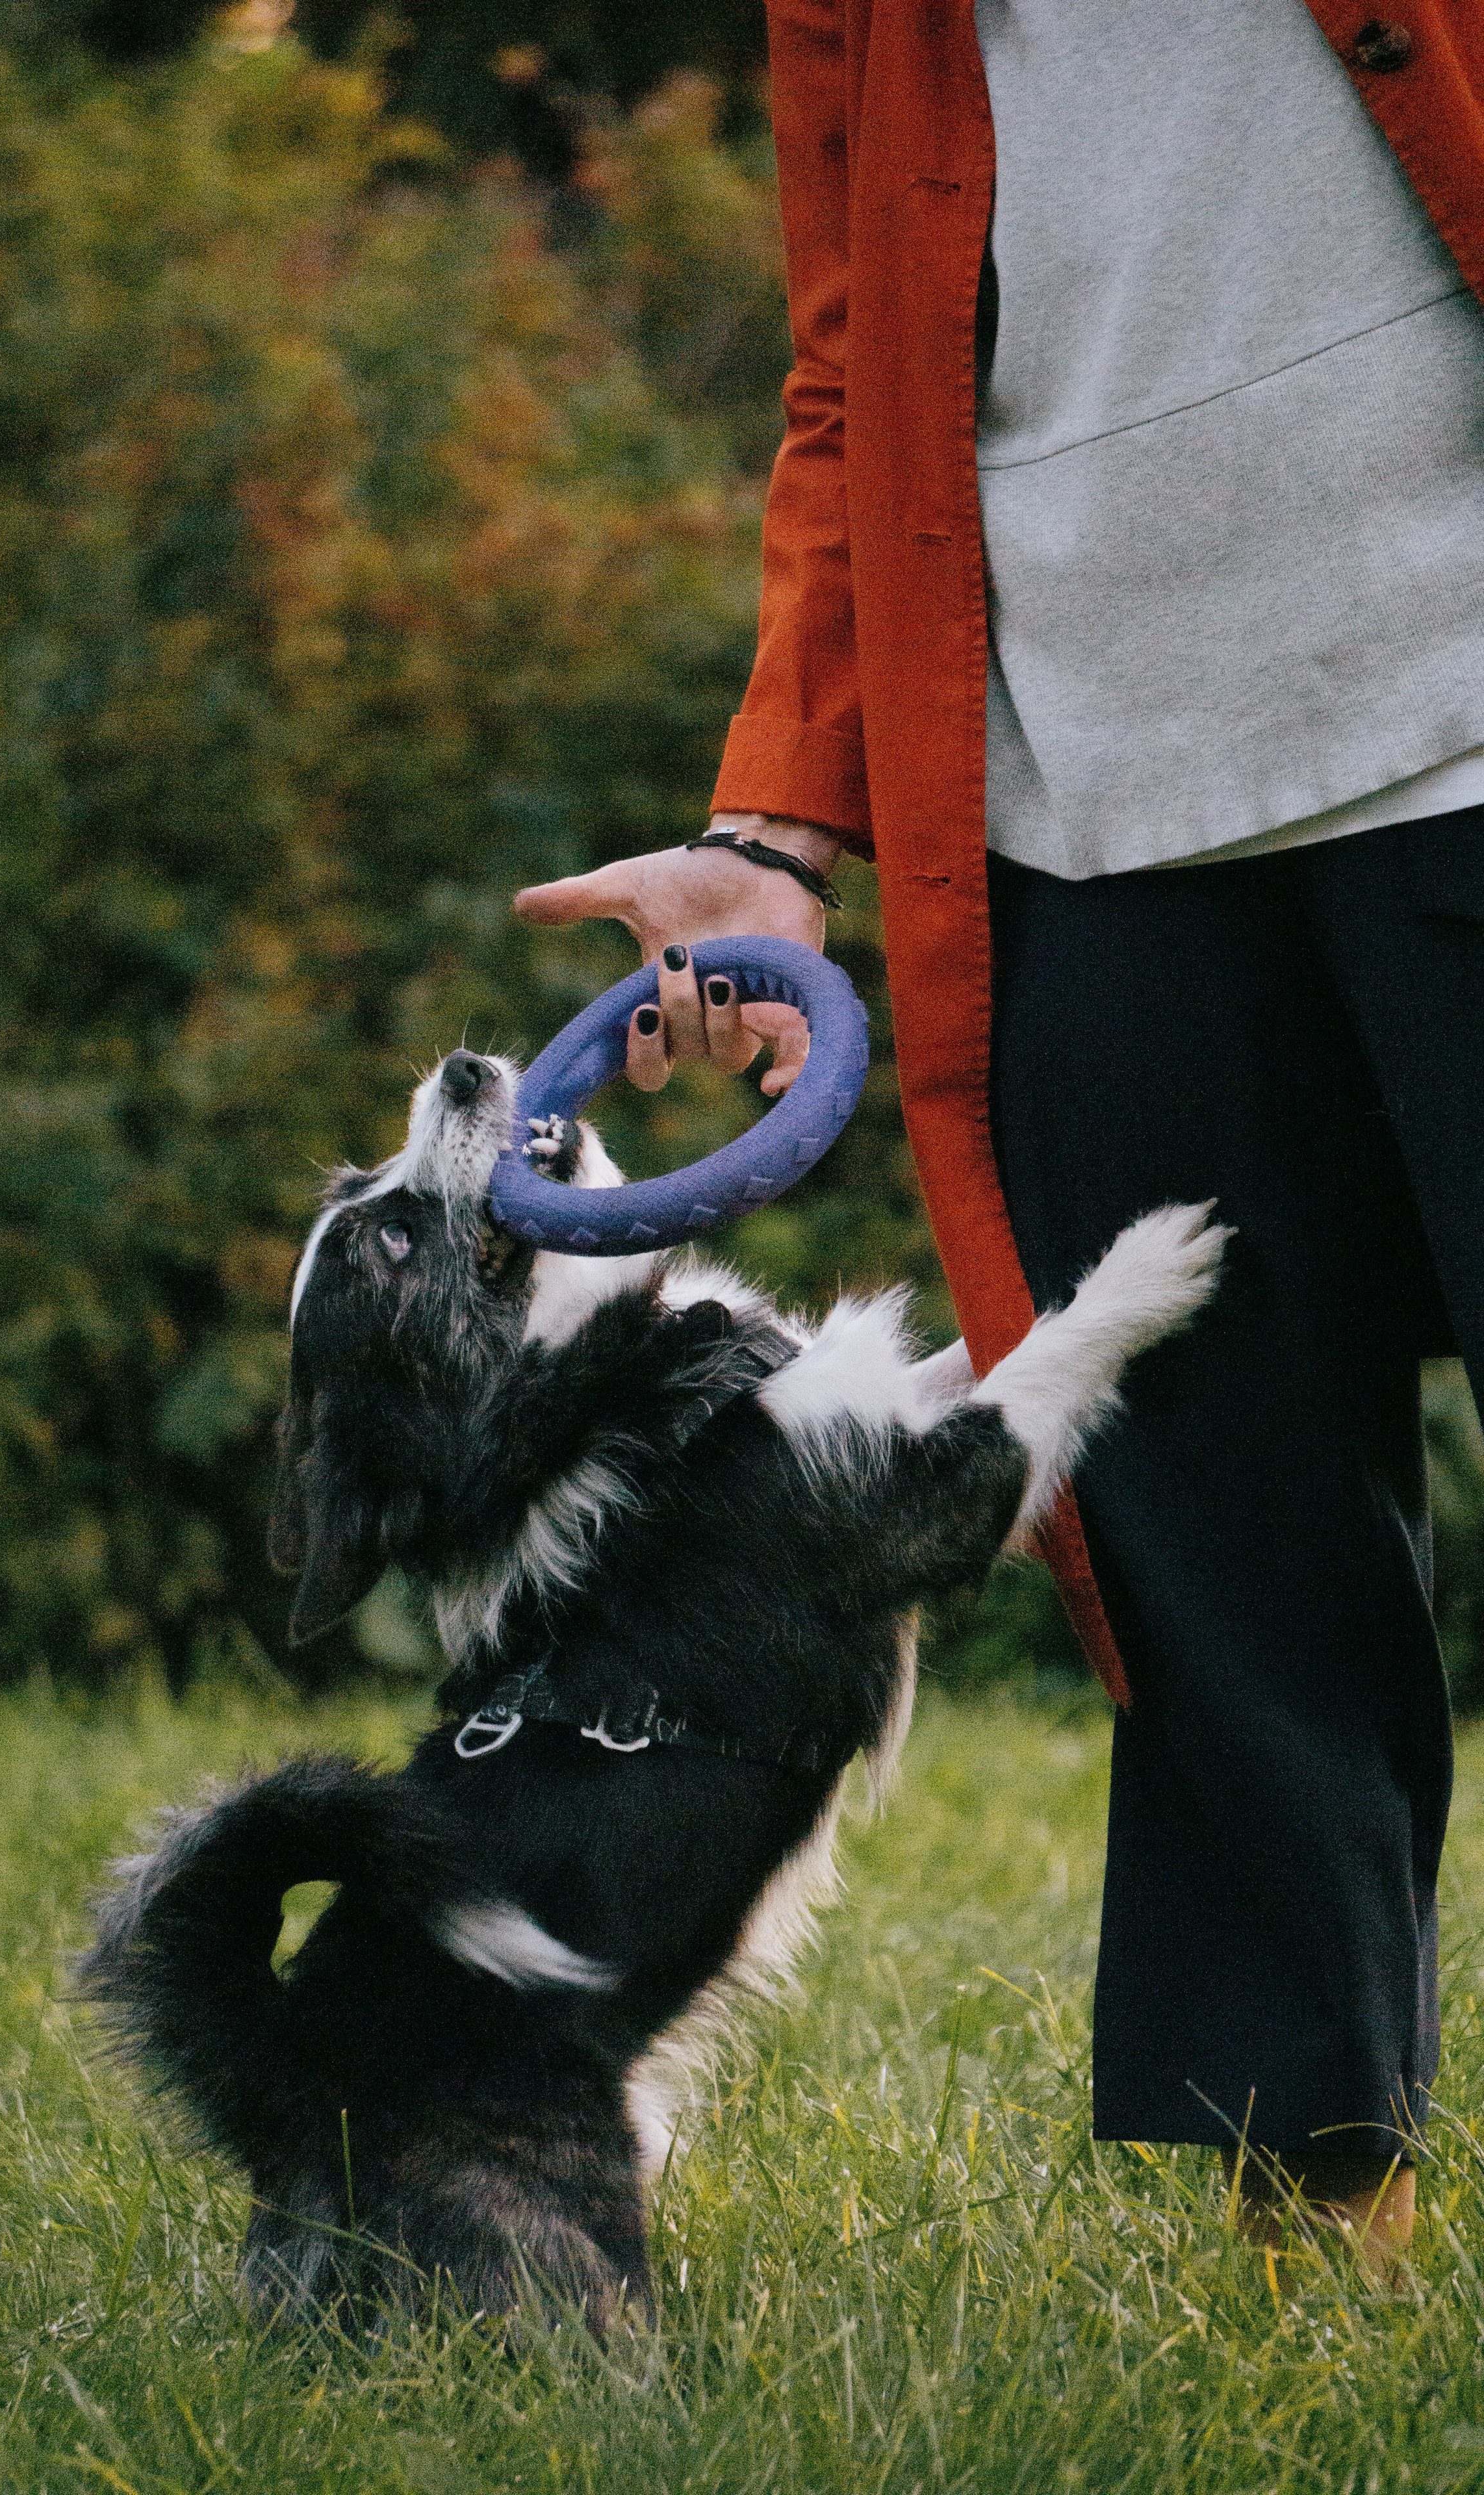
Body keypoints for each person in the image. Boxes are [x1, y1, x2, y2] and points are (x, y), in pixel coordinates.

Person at [516, 0, 1484, 2271]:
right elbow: (858, 372)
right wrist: (777, 820)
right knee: (1221, 1530)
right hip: (1080, 822)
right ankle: (1317, 2235)